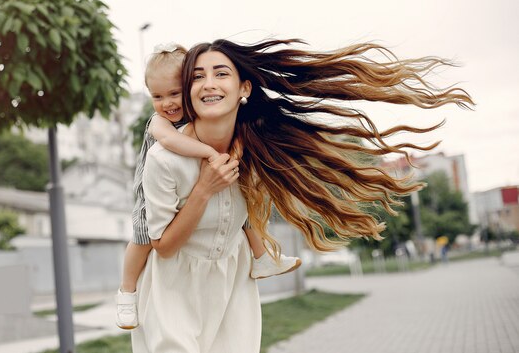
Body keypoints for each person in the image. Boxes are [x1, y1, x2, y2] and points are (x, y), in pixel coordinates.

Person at [132, 38, 473, 352]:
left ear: (243, 88)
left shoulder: (254, 151)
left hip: (231, 292)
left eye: (221, 73)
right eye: (197, 77)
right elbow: (162, 246)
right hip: (171, 292)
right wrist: (204, 189)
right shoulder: (164, 160)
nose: (208, 84)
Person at [116, 43, 300, 330]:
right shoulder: (159, 123)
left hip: (222, 277)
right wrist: (212, 157)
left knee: (247, 211)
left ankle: (261, 257)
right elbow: (172, 142)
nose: (167, 103)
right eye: (157, 96)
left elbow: (240, 134)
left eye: (175, 93)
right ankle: (127, 291)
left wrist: (234, 157)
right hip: (147, 192)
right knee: (140, 238)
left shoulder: (204, 113)